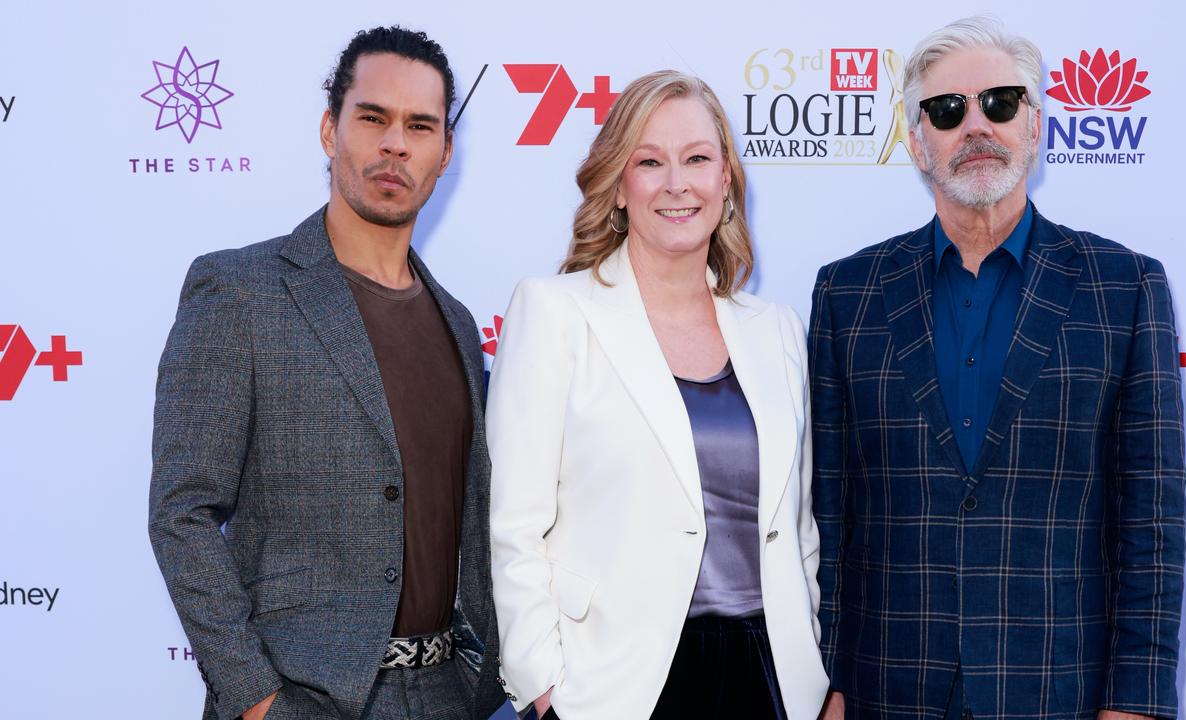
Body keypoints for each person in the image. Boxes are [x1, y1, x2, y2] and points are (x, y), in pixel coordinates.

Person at [810, 16, 1186, 720]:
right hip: (885, 689)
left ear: (1036, 127)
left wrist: (1134, 701)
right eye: (948, 111)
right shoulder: (847, 293)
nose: (975, 126)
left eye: (1001, 103)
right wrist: (825, 679)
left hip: (1059, 689)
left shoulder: (1124, 288)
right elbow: (829, 516)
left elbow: (1150, 525)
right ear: (918, 144)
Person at [148, 27, 505, 720]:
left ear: (443, 154)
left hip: (445, 696)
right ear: (329, 129)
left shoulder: (459, 325)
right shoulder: (241, 291)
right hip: (301, 697)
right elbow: (181, 510)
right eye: (373, 117)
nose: (395, 143)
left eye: (419, 126)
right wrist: (257, 698)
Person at [487, 70, 828, 719]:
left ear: (725, 179)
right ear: (618, 184)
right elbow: (514, 528)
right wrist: (544, 687)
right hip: (618, 682)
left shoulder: (775, 329)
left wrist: (807, 658)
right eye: (650, 161)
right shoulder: (555, 313)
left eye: (697, 159)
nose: (677, 183)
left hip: (769, 675)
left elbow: (800, 526)